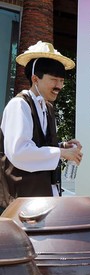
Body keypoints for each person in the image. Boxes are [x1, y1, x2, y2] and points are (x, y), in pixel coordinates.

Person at [0, 41, 83, 210]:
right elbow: (20, 151)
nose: (59, 86)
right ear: (35, 79)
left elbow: (38, 145)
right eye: (54, 80)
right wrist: (61, 152)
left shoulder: (47, 107)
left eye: (61, 81)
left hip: (42, 196)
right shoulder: (19, 105)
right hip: (20, 200)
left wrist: (62, 146)